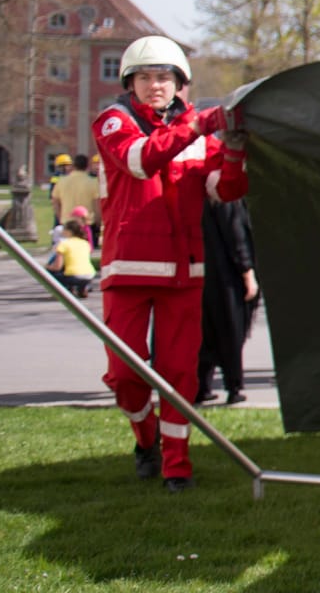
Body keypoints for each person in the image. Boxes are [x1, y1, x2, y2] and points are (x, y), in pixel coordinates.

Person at [93, 36, 248, 492]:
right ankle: (146, 439)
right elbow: (141, 160)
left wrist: (236, 150)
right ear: (130, 83)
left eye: (163, 77)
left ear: (180, 83)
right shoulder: (113, 122)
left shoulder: (198, 135)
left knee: (180, 373)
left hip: (185, 272)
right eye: (144, 77)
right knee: (124, 373)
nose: (154, 85)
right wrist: (202, 125)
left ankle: (177, 465)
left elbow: (226, 190)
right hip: (126, 270)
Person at [197, 196, 258, 405]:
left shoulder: (198, 193)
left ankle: (201, 386)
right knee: (232, 331)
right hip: (227, 276)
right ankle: (234, 386)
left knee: (205, 333)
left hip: (200, 271)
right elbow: (236, 235)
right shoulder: (225, 195)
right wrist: (247, 270)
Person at [43, 217, 97, 298]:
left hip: (74, 276)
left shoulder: (64, 244)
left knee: (50, 271)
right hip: (90, 275)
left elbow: (57, 267)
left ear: (69, 232)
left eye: (64, 229)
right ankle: (82, 288)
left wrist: (47, 267)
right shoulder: (85, 243)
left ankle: (64, 290)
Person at [52, 154, 100, 239]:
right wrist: (98, 221)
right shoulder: (93, 182)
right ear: (87, 166)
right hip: (86, 223)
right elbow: (97, 205)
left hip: (67, 222)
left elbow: (55, 202)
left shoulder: (62, 181)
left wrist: (60, 217)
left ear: (73, 166)